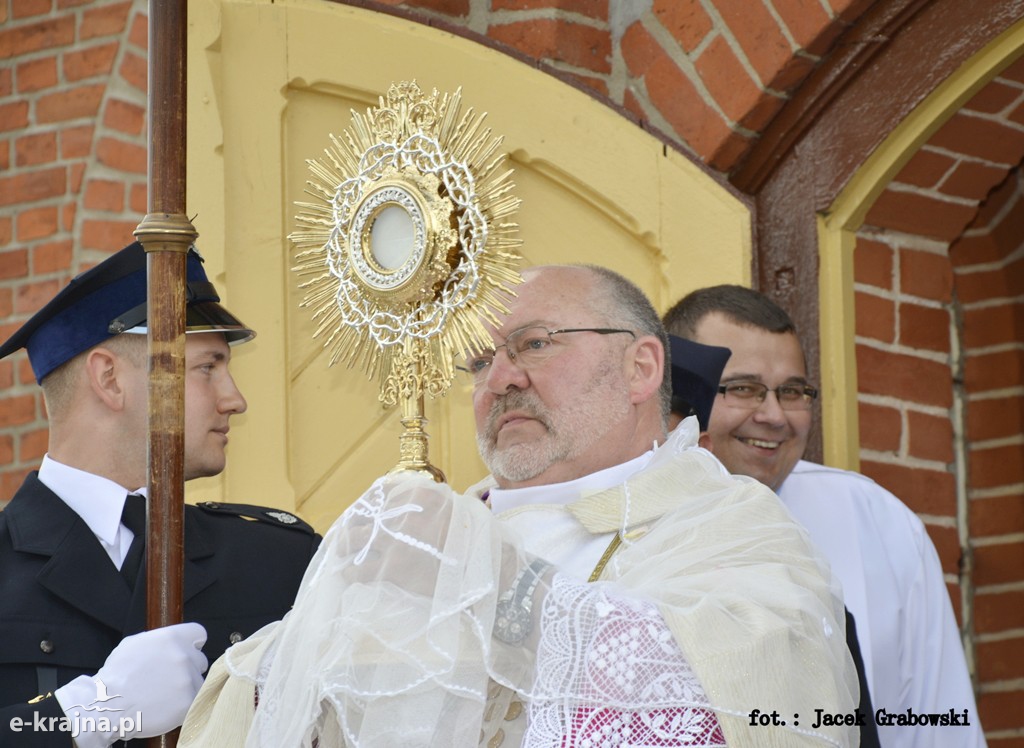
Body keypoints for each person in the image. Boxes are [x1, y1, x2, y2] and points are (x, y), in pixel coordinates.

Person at [181, 264, 860, 747]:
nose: (501, 378)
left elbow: (765, 708)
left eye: (535, 343)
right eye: (478, 361)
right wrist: (302, 654)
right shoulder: (432, 539)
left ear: (641, 368)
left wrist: (498, 589)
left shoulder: (729, 527)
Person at [0, 241, 320, 747]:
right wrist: (93, 712)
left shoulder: (279, 559)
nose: (234, 400)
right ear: (110, 380)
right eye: (206, 368)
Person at [663, 285, 986, 748]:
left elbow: (936, 724)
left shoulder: (876, 521)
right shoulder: (617, 521)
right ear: (680, 393)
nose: (774, 415)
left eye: (793, 391)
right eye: (743, 389)